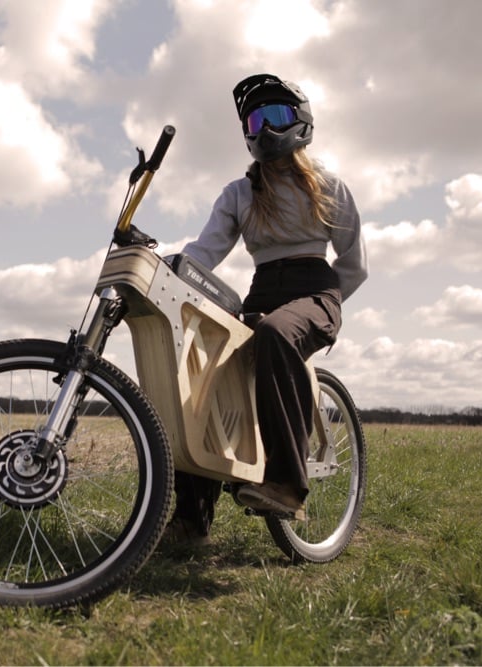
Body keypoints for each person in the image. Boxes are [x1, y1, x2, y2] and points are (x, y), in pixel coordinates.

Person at [167, 73, 368, 544]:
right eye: (256, 120)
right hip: (261, 293)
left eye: (276, 116)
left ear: (300, 121)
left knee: (279, 333)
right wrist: (170, 266)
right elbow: (204, 252)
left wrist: (323, 307)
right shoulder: (238, 194)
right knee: (205, 382)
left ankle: (287, 485)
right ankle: (191, 520)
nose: (265, 129)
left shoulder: (329, 186)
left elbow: (353, 266)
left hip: (316, 291)